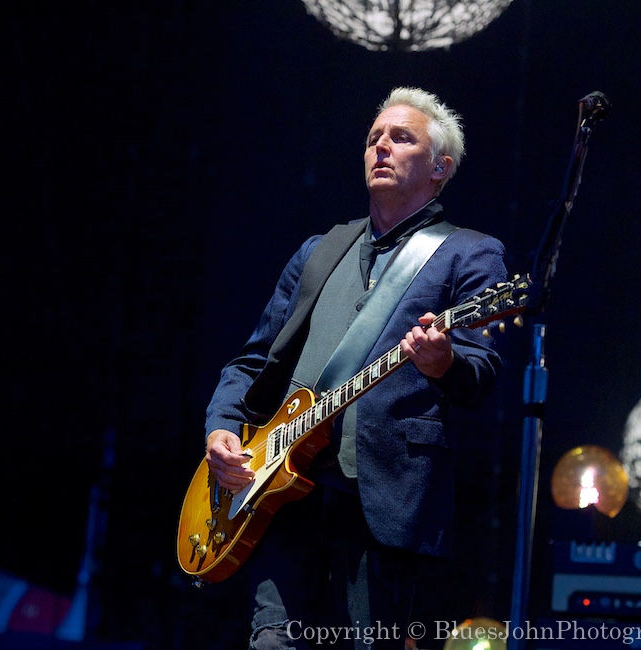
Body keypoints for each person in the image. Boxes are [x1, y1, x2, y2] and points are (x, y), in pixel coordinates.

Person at [203, 87, 508, 650]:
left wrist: (444, 362)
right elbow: (252, 361)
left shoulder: (470, 253)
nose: (381, 147)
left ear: (441, 168)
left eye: (401, 137)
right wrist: (221, 428)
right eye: (373, 138)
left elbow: (483, 369)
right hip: (284, 491)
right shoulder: (320, 250)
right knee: (272, 644)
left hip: (385, 498)